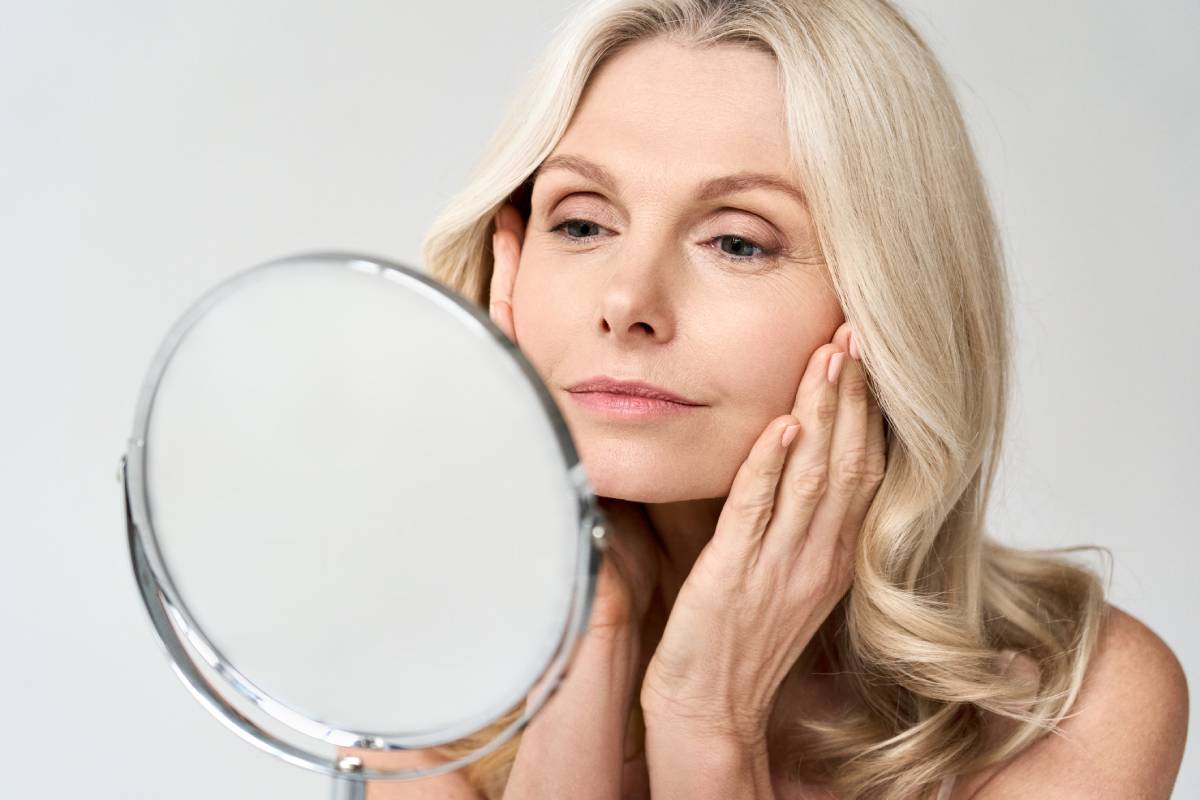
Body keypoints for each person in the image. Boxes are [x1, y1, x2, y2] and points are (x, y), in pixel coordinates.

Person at [344, 1, 1189, 797]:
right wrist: (590, 640)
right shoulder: (419, 682)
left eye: (738, 241)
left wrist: (708, 722)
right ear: (510, 267)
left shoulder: (1072, 701)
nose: (627, 299)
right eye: (582, 223)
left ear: (887, 305)